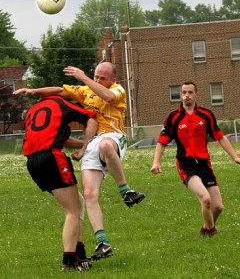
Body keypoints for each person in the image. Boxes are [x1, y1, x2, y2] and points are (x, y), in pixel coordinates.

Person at [14, 62, 145, 260]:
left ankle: (126, 190)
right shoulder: (85, 91)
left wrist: (84, 77)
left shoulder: (117, 89)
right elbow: (59, 90)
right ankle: (103, 242)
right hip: (91, 143)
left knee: (106, 147)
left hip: (113, 137)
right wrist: (33, 91)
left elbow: (107, 97)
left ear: (112, 80)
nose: (98, 80)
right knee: (89, 195)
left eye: (103, 78)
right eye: (96, 76)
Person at [151, 81, 240, 236]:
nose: (186, 96)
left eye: (190, 92)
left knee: (218, 207)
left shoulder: (206, 115)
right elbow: (162, 141)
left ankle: (205, 229)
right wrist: (156, 162)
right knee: (205, 199)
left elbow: (220, 137)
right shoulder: (173, 117)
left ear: (196, 94)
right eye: (184, 92)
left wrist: (235, 157)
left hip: (205, 163)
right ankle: (212, 232)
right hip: (186, 164)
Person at [14, 94, 98, 271]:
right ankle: (69, 262)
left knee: (78, 203)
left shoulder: (32, 111)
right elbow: (91, 118)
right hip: (52, 157)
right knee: (72, 212)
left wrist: (85, 145)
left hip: (32, 162)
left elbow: (62, 138)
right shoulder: (60, 102)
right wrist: (87, 146)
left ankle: (81, 256)